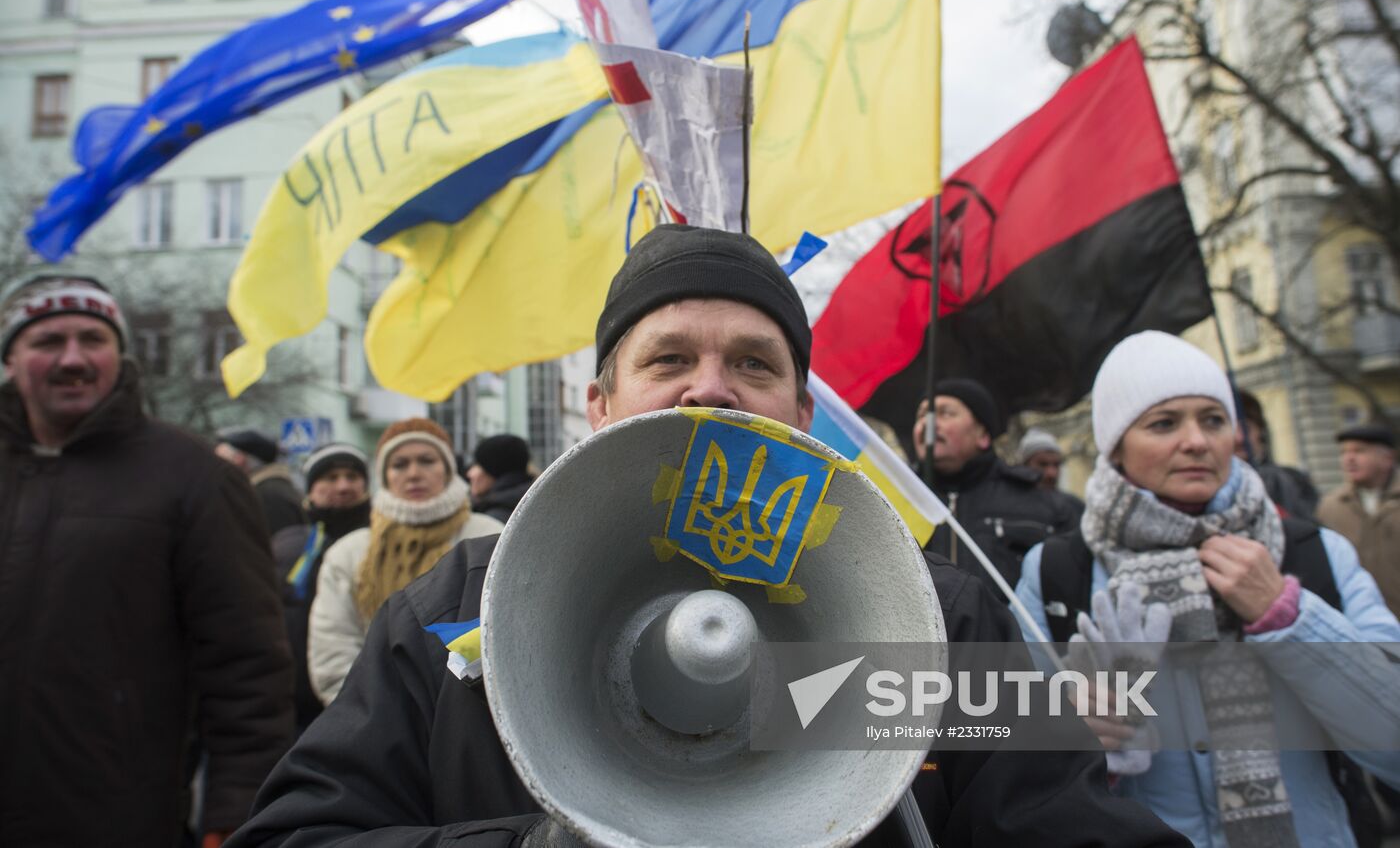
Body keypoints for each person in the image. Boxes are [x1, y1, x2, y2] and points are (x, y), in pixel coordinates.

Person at [230, 225, 1187, 847]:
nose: (711, 388)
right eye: (670, 358)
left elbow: (1065, 824)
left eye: (754, 363)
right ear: (601, 406)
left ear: (802, 414)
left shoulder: (937, 615)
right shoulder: (454, 608)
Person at [1016, 330, 1400, 847]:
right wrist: (1068, 730)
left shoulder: (1315, 553)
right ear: (1116, 446)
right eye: (1164, 423)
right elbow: (1012, 765)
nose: (1197, 440)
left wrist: (1288, 619)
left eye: (1214, 419)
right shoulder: (1056, 571)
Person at [0, 274, 293, 846]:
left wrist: (238, 811)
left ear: (121, 355)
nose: (73, 359)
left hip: (114, 816)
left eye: (93, 339)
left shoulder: (196, 478)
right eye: (47, 341)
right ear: (10, 359)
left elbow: (248, 666)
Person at [307, 418, 503, 704]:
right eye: (399, 464)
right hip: (374, 717)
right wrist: (372, 715)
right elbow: (334, 651)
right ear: (384, 476)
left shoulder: (489, 537)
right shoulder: (349, 552)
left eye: (427, 461)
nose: (413, 474)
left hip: (473, 708)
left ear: (448, 469)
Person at [911, 379, 1077, 594]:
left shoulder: (1043, 504)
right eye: (921, 415)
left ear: (983, 435)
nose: (928, 423)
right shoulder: (896, 498)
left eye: (946, 413)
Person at [272, 442, 373, 733]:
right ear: (311, 489)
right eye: (330, 478)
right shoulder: (287, 544)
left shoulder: (378, 547)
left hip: (360, 701)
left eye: (352, 477)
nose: (343, 486)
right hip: (295, 704)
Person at [1318, 422, 1400, 618]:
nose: (1349, 459)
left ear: (1387, 458)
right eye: (1344, 452)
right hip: (1362, 625)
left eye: (1359, 451)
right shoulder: (1331, 507)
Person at [1236, 389, 1318, 520]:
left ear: (1260, 431)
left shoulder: (1290, 481)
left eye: (1246, 428)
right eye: (1232, 429)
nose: (1239, 438)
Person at [217, 427, 308, 536]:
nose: (216, 468)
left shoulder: (268, 496)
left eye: (219, 461)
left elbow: (284, 543)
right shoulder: (271, 488)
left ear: (239, 460)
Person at [1017, 426, 1085, 523]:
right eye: (1042, 464)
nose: (1052, 473)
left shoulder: (1075, 507)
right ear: (1024, 465)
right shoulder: (1010, 508)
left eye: (1056, 465)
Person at [466, 433, 535, 523]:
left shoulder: (494, 519)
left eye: (478, 465)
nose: (470, 474)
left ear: (495, 470)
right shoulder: (531, 503)